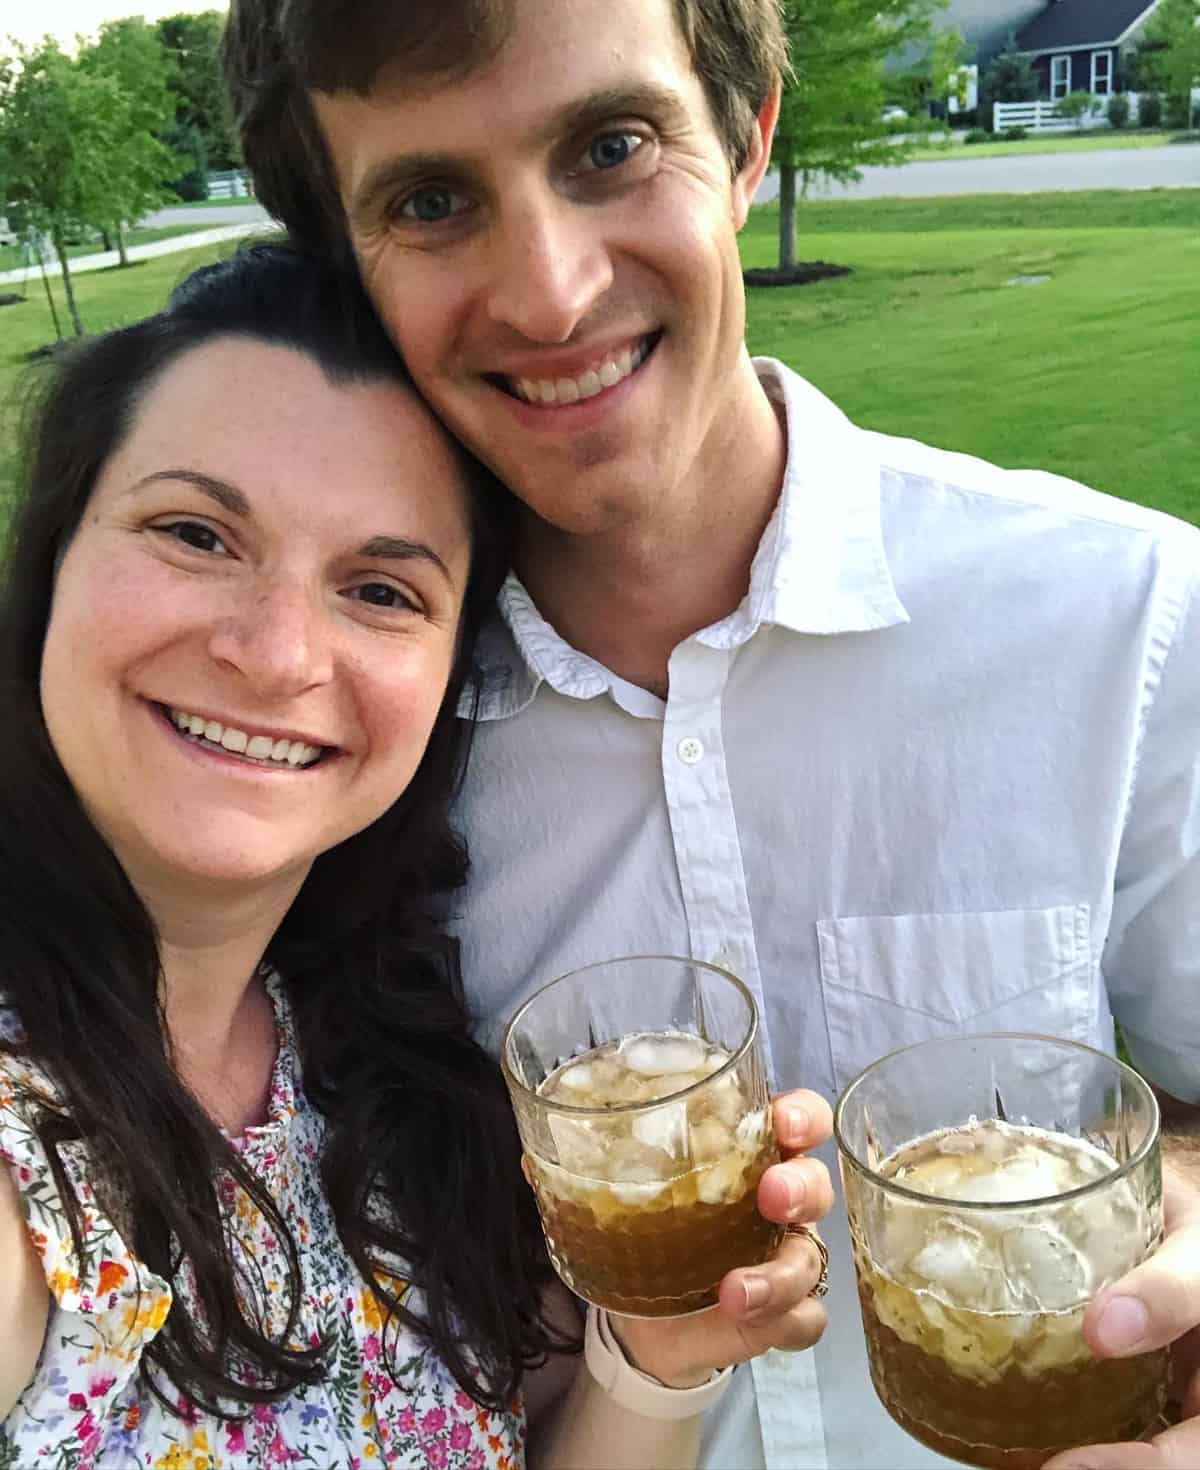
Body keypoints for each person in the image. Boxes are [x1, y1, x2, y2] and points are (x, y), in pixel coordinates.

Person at [223, 2, 1200, 1467]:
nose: (551, 294)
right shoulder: (322, 746)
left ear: (747, 139)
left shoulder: (1127, 617)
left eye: (611, 146)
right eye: (430, 202)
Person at [0, 243, 830, 1470]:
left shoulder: (381, 1080)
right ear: (53, 557)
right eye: (195, 533)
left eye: (382, 591)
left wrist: (656, 1355)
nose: (278, 655)